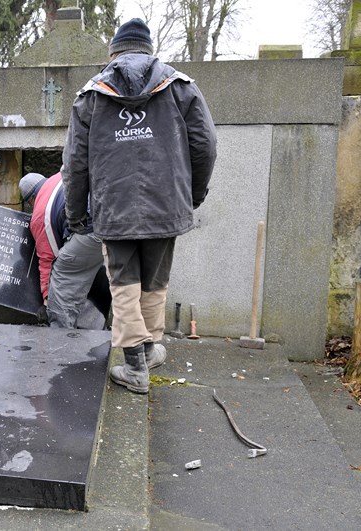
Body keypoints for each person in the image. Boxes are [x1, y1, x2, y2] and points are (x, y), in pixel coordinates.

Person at [61, 18, 217, 394]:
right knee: (154, 281)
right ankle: (147, 352)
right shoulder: (182, 87)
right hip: (167, 205)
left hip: (113, 207)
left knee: (125, 285)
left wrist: (76, 213)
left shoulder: (92, 95)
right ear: (148, 50)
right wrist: (191, 195)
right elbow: (206, 145)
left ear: (113, 53)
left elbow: (74, 163)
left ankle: (136, 364)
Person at [19, 172, 108, 330]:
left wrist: (47, 299)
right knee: (91, 272)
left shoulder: (39, 214)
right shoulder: (57, 177)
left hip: (91, 228)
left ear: (31, 200)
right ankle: (95, 331)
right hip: (114, 217)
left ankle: (60, 337)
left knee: (62, 277)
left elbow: (49, 259)